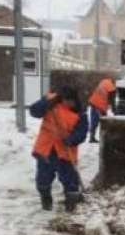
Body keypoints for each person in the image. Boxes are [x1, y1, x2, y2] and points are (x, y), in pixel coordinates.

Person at [29, 84, 88, 212]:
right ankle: (45, 197)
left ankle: (71, 203)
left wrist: (72, 139)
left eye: (71, 101)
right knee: (43, 179)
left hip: (66, 152)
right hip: (46, 149)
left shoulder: (80, 113)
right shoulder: (51, 105)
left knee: (70, 180)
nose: (68, 103)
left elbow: (82, 132)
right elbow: (34, 111)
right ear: (62, 99)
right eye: (66, 100)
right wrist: (46, 101)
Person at [87, 77, 117, 143]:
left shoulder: (104, 82)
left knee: (94, 121)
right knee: (102, 122)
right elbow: (112, 101)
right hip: (99, 105)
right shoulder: (111, 87)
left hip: (93, 102)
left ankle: (92, 137)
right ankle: (101, 138)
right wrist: (115, 111)